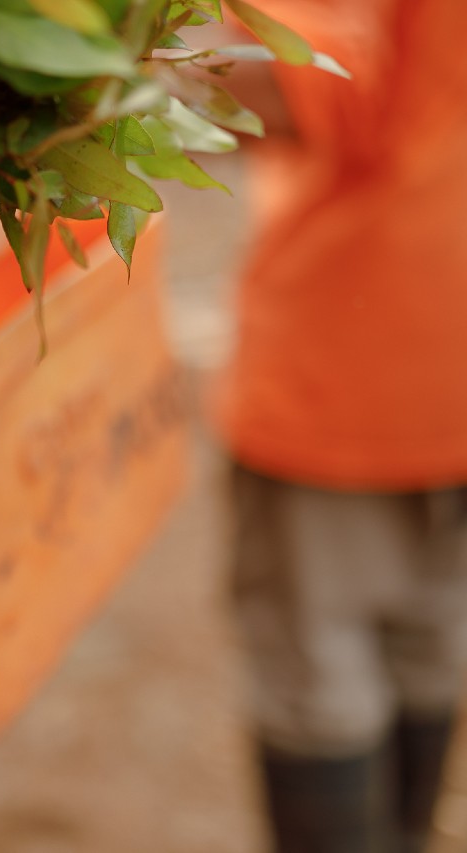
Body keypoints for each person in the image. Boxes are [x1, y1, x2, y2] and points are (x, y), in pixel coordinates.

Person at [209, 1, 467, 849]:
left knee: (316, 673)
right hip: (440, 349)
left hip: (357, 347)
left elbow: (340, 87)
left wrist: (124, 77)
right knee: (431, 635)